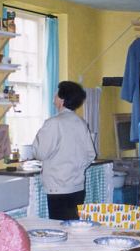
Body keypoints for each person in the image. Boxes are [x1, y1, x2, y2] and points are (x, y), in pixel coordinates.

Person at [32, 81, 96, 220]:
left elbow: (40, 153)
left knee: (60, 230)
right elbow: (91, 154)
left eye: (56, 94)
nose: (54, 97)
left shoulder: (53, 123)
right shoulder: (80, 122)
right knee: (72, 227)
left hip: (57, 187)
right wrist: (76, 168)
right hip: (77, 186)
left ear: (62, 99)